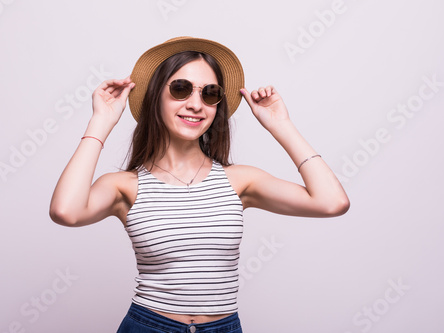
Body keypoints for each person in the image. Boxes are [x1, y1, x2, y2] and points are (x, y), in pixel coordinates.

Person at [49, 36, 349, 332]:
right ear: (156, 96)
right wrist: (101, 122)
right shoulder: (124, 186)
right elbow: (66, 211)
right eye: (180, 89)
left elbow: (331, 202)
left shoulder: (240, 180)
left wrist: (281, 125)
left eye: (210, 93)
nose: (195, 104)